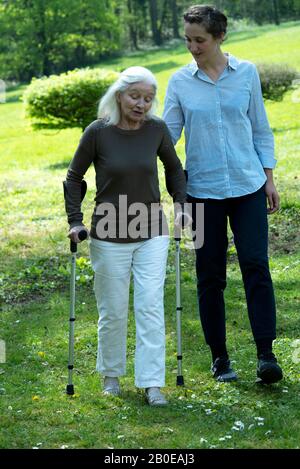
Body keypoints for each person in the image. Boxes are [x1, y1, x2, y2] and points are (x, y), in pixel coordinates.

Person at [163, 5, 283, 384]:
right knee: (210, 276)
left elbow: (260, 128)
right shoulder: (180, 82)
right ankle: (220, 358)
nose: (193, 47)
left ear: (219, 37)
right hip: (201, 191)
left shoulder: (245, 73)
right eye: (188, 40)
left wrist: (269, 178)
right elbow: (167, 138)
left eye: (200, 40)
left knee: (256, 266)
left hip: (247, 186)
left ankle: (266, 354)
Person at [63, 66, 188, 406]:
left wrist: (182, 206)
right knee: (113, 309)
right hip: (107, 233)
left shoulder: (157, 129)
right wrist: (75, 221)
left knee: (150, 306)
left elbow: (175, 169)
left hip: (152, 232)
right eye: (135, 96)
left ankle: (152, 384)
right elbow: (74, 178)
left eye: (148, 98)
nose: (142, 104)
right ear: (119, 95)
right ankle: (111, 377)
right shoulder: (97, 133)